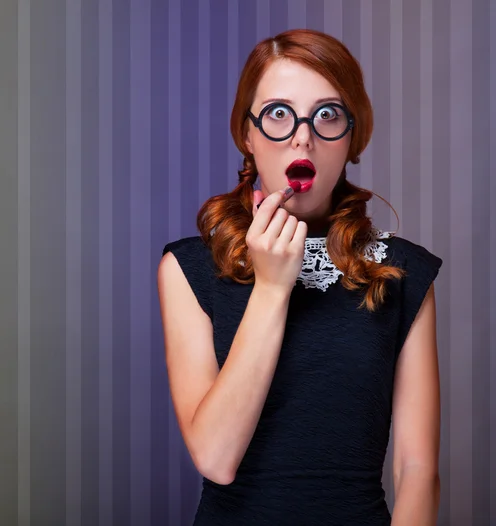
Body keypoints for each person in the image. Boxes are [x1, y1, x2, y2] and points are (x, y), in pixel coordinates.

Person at [158, 28, 442, 526]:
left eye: (327, 114)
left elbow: (417, 468)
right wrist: (271, 288)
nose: (302, 136)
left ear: (353, 137)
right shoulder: (188, 270)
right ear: (247, 135)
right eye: (278, 114)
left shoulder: (401, 272)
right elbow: (215, 458)